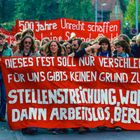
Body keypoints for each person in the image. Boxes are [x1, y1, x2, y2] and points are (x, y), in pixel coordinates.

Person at [13, 35, 40, 135]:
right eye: (26, 43)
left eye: (29, 43)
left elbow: (41, 67)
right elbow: (12, 66)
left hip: (32, 84)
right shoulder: (17, 53)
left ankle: (32, 125)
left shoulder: (36, 54)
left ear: (32, 44)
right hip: (20, 84)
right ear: (22, 43)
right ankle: (24, 124)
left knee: (32, 104)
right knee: (23, 105)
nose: (27, 45)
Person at [0, 33, 13, 122]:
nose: (1, 41)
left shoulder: (9, 50)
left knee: (4, 97)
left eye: (2, 39)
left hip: (4, 75)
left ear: (5, 40)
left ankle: (1, 115)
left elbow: (11, 62)